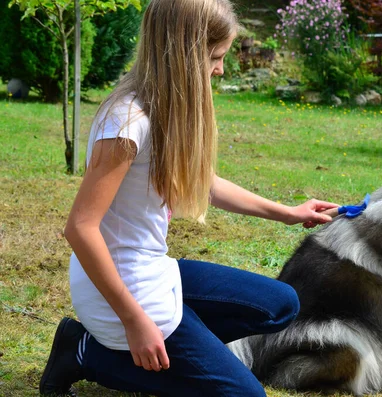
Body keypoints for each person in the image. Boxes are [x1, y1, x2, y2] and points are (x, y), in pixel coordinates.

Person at [38, 0, 338, 395]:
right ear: (183, 53)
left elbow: (204, 182)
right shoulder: (126, 122)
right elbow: (80, 228)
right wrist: (134, 321)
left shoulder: (161, 107)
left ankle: (183, 338)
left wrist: (288, 213)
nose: (220, 69)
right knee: (246, 395)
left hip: (152, 269)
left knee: (282, 303)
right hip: (118, 288)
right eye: (215, 57)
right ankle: (84, 350)